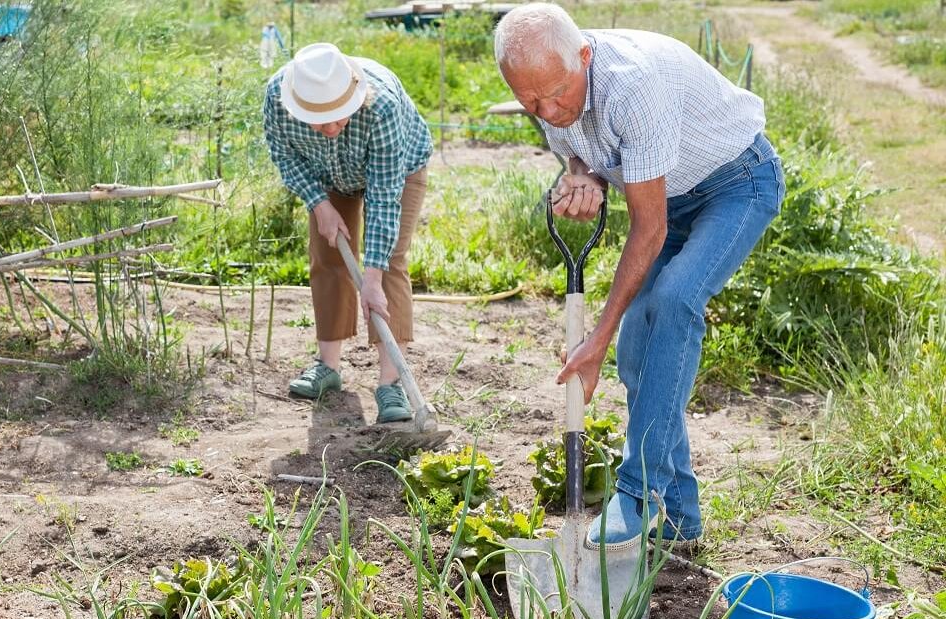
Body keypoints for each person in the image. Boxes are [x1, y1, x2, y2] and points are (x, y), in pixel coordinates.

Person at [493, 3, 785, 548]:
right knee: (637, 358)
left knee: (673, 301)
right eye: (529, 100)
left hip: (737, 183)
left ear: (583, 56)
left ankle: (638, 491)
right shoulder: (545, 84)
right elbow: (581, 151)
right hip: (669, 195)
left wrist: (595, 339)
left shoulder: (634, 87)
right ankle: (680, 520)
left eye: (556, 94)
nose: (546, 109)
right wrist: (582, 176)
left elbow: (648, 230)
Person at [262, 42, 433, 423]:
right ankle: (328, 366)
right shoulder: (277, 96)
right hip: (326, 178)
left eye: (339, 116)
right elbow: (283, 154)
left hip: (397, 172)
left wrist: (371, 277)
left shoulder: (382, 105)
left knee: (388, 265)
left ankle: (391, 385)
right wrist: (317, 203)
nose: (331, 128)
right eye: (319, 120)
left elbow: (386, 198)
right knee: (328, 257)